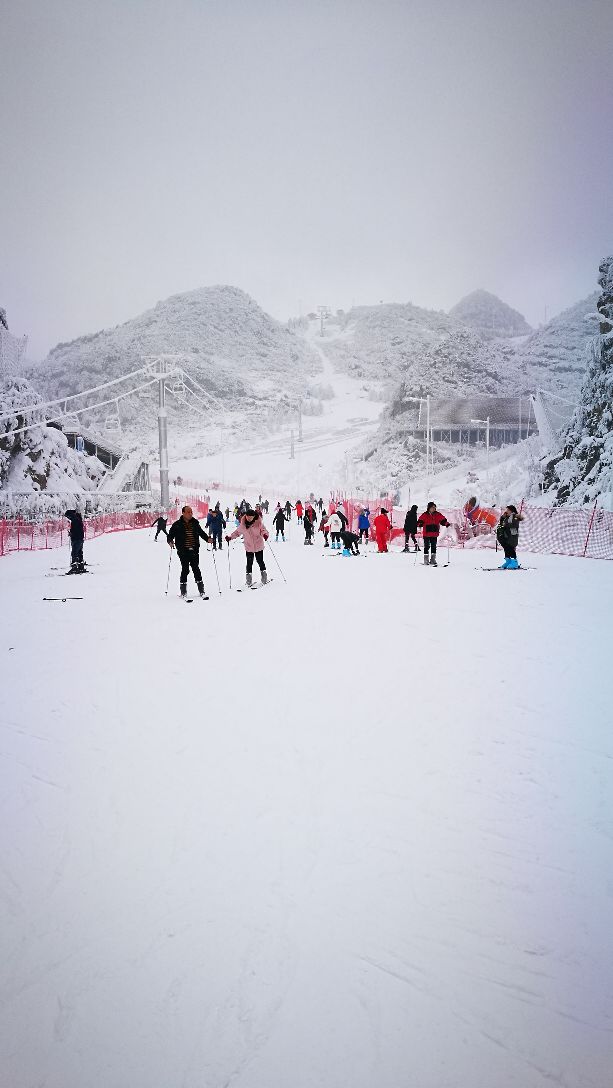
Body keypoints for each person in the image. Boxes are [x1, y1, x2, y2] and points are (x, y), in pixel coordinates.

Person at [167, 505, 211, 597]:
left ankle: (201, 591)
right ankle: (183, 592)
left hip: (194, 550)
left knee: (196, 569)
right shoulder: (177, 525)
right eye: (188, 512)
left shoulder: (195, 523)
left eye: (191, 512)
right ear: (183, 513)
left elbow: (201, 533)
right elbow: (170, 535)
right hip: (183, 551)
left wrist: (207, 539)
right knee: (185, 570)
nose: (190, 514)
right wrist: (170, 541)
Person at [226, 505, 270, 586]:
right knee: (249, 562)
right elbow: (237, 533)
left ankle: (264, 578)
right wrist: (230, 537)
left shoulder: (258, 523)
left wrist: (265, 535)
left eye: (251, 517)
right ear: (246, 516)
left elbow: (264, 530)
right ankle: (248, 580)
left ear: (254, 517)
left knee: (260, 561)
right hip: (249, 546)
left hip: (258, 545)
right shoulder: (242, 525)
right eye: (248, 516)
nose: (249, 518)